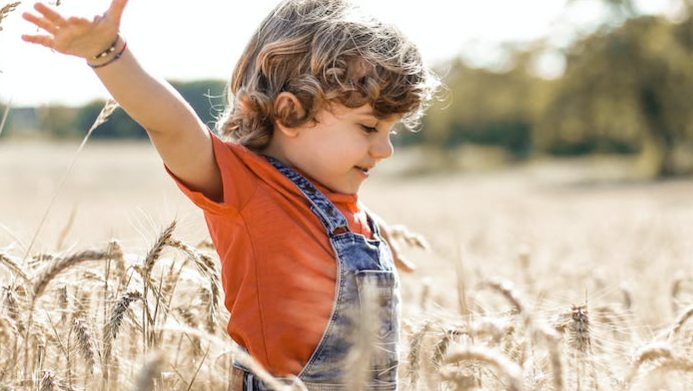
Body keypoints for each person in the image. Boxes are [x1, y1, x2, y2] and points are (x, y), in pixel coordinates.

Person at [22, 0, 439, 389]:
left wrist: (376, 231)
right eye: (369, 128)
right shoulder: (247, 189)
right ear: (291, 112)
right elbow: (172, 126)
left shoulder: (344, 205)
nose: (385, 150)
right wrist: (109, 53)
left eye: (391, 130)